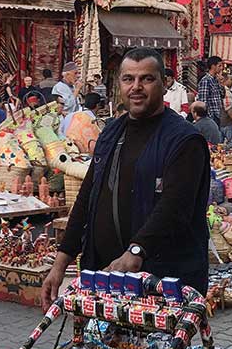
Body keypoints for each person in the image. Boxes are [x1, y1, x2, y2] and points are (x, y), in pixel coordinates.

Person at [42, 48, 211, 306]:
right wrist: (61, 261)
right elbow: (88, 197)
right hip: (106, 281)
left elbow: (175, 208)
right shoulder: (111, 133)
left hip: (160, 282)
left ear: (164, 84)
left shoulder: (184, 140)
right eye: (128, 79)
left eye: (147, 79)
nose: (137, 87)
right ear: (119, 84)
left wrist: (136, 251)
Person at [195, 57, 226, 125]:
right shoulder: (206, 80)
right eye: (219, 66)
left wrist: (221, 84)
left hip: (217, 115)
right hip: (211, 116)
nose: (221, 68)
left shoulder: (216, 80)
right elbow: (203, 101)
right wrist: (208, 116)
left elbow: (222, 95)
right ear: (213, 66)